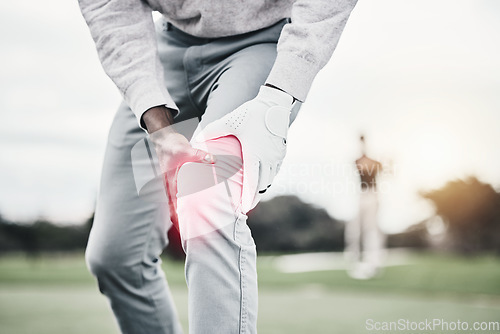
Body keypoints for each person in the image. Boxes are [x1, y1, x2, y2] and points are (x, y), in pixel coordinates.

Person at [78, 0, 358, 333]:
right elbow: (110, 10)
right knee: (115, 256)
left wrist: (278, 98)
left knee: (208, 198)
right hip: (166, 50)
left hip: (261, 45)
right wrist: (161, 130)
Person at [345, 135, 386, 279]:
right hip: (361, 195)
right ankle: (353, 260)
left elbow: (384, 170)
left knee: (371, 229)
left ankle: (374, 262)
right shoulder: (358, 161)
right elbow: (361, 166)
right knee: (354, 229)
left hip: (373, 195)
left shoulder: (375, 162)